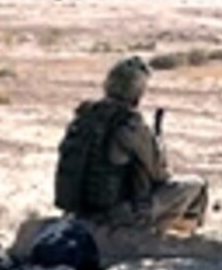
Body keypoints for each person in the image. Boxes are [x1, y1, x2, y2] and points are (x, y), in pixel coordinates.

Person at [54, 56, 208, 234]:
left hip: (76, 211)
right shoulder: (130, 123)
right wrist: (157, 145)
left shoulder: (84, 117)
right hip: (116, 216)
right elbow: (161, 175)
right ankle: (176, 239)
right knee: (196, 186)